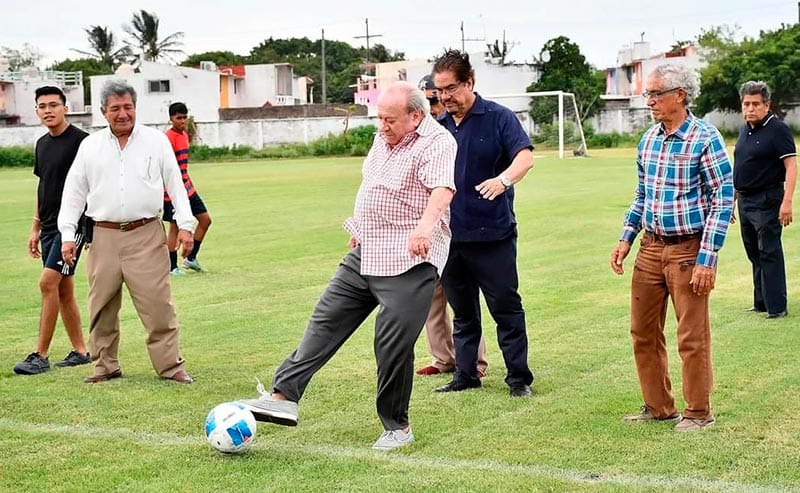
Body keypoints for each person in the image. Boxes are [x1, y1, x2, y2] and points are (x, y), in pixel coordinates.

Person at [238, 81, 457, 450]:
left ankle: (397, 427)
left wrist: (424, 227)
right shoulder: (381, 137)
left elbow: (441, 190)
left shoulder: (437, 142)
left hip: (409, 256)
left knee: (391, 344)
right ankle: (284, 397)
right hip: (368, 249)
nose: (382, 125)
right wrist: (360, 226)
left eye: (390, 119)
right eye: (380, 118)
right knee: (325, 319)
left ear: (415, 116)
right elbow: (375, 186)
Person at [610, 64, 734, 432]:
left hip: (687, 250)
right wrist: (626, 238)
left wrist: (706, 259)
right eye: (647, 95)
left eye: (655, 94)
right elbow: (642, 195)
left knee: (691, 335)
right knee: (643, 331)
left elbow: (723, 201)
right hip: (650, 248)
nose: (648, 102)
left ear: (679, 95)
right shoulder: (648, 139)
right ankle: (658, 406)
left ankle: (699, 412)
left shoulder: (705, 138)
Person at [58, 80, 195, 384]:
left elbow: (176, 183)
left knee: (158, 304)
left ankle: (170, 366)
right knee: (101, 305)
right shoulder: (89, 146)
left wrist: (185, 225)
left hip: (146, 232)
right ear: (104, 112)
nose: (123, 114)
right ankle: (105, 366)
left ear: (136, 108)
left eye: (128, 107)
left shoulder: (155, 141)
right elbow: (74, 193)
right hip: (103, 234)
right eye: (116, 108)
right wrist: (67, 234)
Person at [430, 50, 535, 398]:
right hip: (450, 237)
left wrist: (503, 180)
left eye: (450, 88)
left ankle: (518, 379)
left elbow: (525, 156)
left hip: (493, 236)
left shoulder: (499, 118)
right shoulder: (438, 128)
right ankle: (466, 374)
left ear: (470, 83)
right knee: (463, 313)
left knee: (506, 309)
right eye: (439, 90)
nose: (444, 96)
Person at [414, 74, 489, 377]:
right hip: (429, 229)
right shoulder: (419, 134)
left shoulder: (455, 130)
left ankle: (475, 363)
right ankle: (443, 359)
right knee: (432, 299)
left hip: (461, 226)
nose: (431, 105)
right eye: (425, 100)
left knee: (464, 301)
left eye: (434, 98)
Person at [13, 86, 91, 375]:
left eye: (53, 105)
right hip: (47, 227)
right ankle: (81, 351)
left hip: (71, 227)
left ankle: (40, 355)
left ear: (65, 108)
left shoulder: (83, 142)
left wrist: (85, 225)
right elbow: (42, 185)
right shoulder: (42, 144)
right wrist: (34, 227)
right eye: (42, 106)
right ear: (36, 111)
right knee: (63, 290)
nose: (48, 110)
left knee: (47, 283)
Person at [733, 81, 797, 319]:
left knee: (769, 251)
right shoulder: (745, 129)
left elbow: (791, 166)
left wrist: (787, 201)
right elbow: (740, 166)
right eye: (746, 104)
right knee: (753, 252)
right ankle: (761, 302)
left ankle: (777, 307)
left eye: (755, 104)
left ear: (767, 105)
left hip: (768, 199)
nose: (750, 108)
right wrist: (732, 199)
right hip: (745, 200)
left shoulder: (777, 129)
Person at [163, 102, 212, 275]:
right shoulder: (167, 138)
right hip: (173, 190)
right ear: (171, 119)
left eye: (185, 117)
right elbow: (166, 168)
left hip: (187, 187)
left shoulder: (184, 135)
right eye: (178, 118)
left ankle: (191, 258)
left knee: (205, 220)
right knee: (175, 227)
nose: (182, 121)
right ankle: (172, 266)